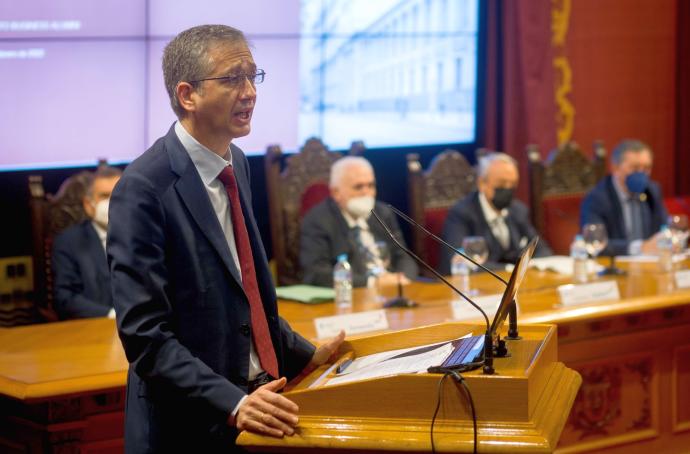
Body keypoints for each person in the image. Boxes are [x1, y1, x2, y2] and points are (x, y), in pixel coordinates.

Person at [107, 25, 344, 453]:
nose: (250, 91)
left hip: (261, 408)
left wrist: (307, 354)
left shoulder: (236, 161)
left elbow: (242, 294)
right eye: (234, 78)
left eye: (254, 76)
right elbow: (146, 338)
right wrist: (233, 402)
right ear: (187, 95)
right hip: (190, 427)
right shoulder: (143, 188)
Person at [300, 156, 418, 288]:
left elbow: (403, 256)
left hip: (393, 291)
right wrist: (372, 283)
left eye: (371, 185)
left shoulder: (383, 213)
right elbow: (316, 273)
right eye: (358, 187)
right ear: (336, 192)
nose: (366, 192)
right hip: (353, 296)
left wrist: (402, 279)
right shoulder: (318, 220)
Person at [440, 152, 552, 274]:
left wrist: (533, 264)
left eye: (513, 185)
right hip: (477, 287)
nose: (508, 189)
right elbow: (460, 261)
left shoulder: (518, 210)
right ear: (482, 183)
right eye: (502, 184)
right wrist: (511, 270)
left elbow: (542, 250)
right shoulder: (461, 213)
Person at [52, 166, 121, 319]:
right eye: (104, 196)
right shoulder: (68, 242)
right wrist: (110, 315)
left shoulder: (148, 234)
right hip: (95, 327)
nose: (112, 201)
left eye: (118, 193)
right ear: (88, 204)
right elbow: (65, 298)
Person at [580, 139, 667, 256]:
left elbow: (663, 229)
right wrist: (639, 248)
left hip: (650, 264)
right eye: (634, 168)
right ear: (615, 168)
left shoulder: (652, 190)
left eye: (646, 168)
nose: (641, 174)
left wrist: (667, 240)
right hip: (616, 267)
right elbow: (594, 243)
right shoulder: (597, 198)